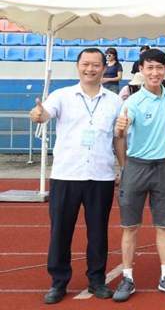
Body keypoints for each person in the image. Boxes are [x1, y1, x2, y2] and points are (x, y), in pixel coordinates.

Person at [30, 48, 124, 304]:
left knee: (98, 232)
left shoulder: (115, 101)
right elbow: (44, 114)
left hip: (100, 176)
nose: (90, 69)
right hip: (66, 174)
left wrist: (123, 168)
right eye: (85, 64)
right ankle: (58, 282)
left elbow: (118, 138)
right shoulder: (62, 96)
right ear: (77, 67)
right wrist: (38, 114)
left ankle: (96, 280)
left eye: (96, 65)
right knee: (60, 230)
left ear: (105, 68)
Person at [112, 48, 165, 302]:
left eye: (159, 68)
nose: (155, 72)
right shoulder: (131, 103)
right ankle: (127, 279)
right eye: (149, 67)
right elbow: (119, 138)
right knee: (130, 226)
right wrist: (124, 165)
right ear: (141, 70)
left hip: (164, 168)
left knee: (164, 225)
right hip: (137, 166)